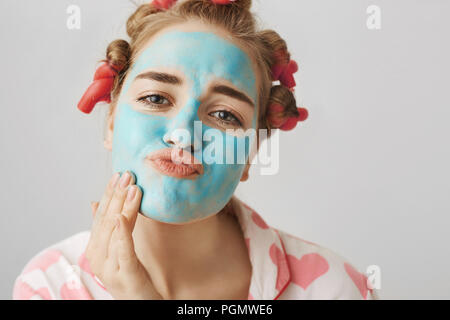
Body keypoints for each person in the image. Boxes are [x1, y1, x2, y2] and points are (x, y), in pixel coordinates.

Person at [12, 0, 377, 300]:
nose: (184, 136)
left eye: (223, 115)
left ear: (250, 153)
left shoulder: (332, 289)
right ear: (111, 121)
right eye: (155, 98)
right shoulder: (51, 285)